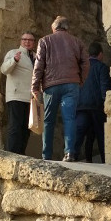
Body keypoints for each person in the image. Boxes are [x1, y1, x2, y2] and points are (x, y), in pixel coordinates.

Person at [31, 16, 89, 161]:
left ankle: (46, 155)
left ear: (53, 28)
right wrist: (80, 80)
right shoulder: (77, 42)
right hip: (71, 84)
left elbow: (39, 66)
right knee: (69, 118)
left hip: (51, 86)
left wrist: (35, 86)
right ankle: (69, 152)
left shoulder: (44, 41)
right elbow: (85, 64)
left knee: (48, 120)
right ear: (67, 28)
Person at [74, 41, 111, 162]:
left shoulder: (81, 67)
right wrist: (105, 103)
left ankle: (74, 156)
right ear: (100, 54)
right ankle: (105, 160)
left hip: (81, 106)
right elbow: (104, 87)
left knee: (82, 134)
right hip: (96, 106)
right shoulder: (102, 67)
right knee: (101, 134)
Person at [0, 31, 37, 155]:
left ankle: (21, 154)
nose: (27, 42)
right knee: (15, 127)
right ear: (21, 41)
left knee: (26, 129)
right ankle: (11, 154)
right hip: (16, 96)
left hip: (30, 98)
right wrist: (14, 60)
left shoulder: (36, 57)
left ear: (33, 43)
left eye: (30, 40)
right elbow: (4, 69)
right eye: (24, 39)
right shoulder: (13, 53)